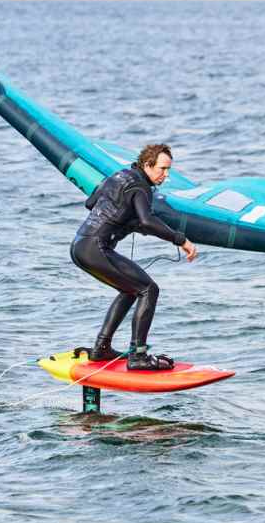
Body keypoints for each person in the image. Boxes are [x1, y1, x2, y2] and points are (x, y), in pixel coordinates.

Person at [70, 143, 198, 370]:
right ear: (147, 165)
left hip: (80, 245)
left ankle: (101, 348)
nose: (166, 175)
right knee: (149, 289)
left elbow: (91, 203)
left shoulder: (118, 176)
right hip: (96, 248)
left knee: (131, 289)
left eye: (168, 170)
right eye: (162, 169)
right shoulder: (141, 187)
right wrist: (181, 240)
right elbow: (147, 220)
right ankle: (138, 356)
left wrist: (127, 219)